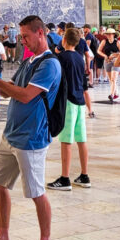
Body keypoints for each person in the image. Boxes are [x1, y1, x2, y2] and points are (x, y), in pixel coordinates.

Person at [0, 15, 61, 240]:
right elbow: (8, 91)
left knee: (36, 192)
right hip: (11, 134)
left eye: (25, 37)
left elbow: (25, 96)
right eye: (21, 37)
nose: (21, 41)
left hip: (31, 137)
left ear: (40, 34)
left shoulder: (49, 65)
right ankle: (3, 238)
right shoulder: (28, 62)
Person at [48, 27, 90, 190]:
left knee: (66, 140)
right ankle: (84, 175)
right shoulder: (80, 58)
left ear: (63, 40)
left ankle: (65, 178)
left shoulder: (61, 58)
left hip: (68, 102)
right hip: (80, 101)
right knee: (81, 139)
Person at [98, 27, 120, 101]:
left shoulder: (117, 42)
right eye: (107, 34)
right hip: (107, 61)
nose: (108, 35)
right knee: (111, 79)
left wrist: (115, 55)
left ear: (114, 34)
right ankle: (116, 93)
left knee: (114, 79)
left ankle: (112, 94)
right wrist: (105, 56)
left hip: (116, 61)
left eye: (110, 34)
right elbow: (98, 51)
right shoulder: (104, 41)